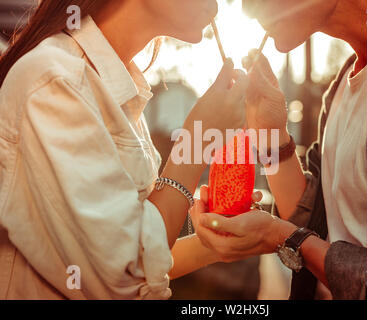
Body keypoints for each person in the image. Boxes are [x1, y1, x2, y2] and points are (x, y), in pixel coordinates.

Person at [191, 0, 367, 299]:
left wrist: (279, 236)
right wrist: (270, 133)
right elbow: (318, 228)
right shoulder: (343, 82)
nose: (246, 8)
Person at [0, 0, 258, 299]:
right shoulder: (56, 80)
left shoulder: (114, 89)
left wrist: (223, 241)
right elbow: (122, 277)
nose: (214, 6)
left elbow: (137, 257)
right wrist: (197, 142)